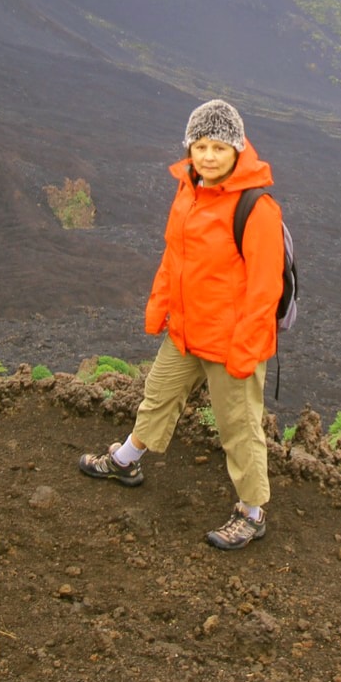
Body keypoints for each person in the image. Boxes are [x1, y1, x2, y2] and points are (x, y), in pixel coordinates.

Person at [79, 99, 285, 551]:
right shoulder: (189, 191)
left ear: (237, 148)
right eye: (200, 145)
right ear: (189, 148)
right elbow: (175, 257)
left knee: (238, 425)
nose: (208, 156)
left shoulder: (257, 208)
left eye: (218, 146)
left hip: (232, 340)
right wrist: (160, 311)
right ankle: (126, 461)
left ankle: (252, 512)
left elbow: (264, 290)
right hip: (187, 329)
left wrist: (245, 351)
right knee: (158, 395)